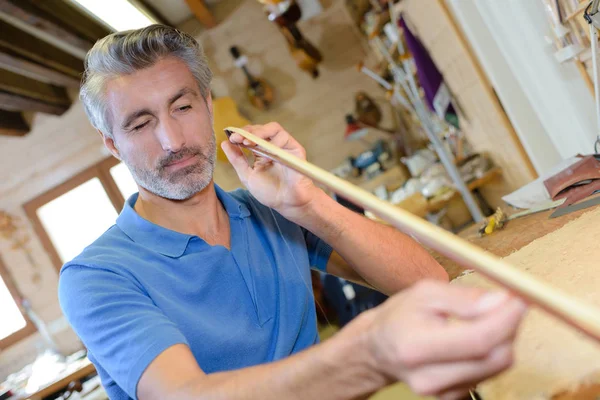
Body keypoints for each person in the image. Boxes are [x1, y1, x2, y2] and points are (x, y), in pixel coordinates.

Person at [58, 25, 527, 400]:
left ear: (207, 105)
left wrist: (309, 204)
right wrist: (366, 356)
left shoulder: (267, 211)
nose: (173, 140)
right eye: (140, 123)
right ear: (112, 144)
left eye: (183, 106)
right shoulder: (96, 276)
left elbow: (425, 281)